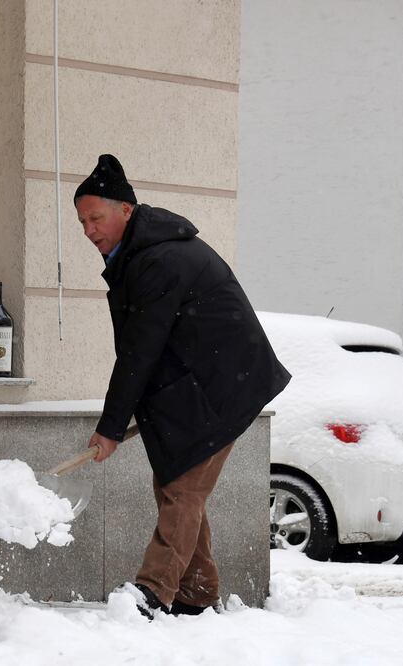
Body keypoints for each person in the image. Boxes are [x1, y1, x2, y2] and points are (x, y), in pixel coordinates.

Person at [75, 154, 291, 619]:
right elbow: (147, 349)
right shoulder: (141, 254)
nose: (89, 229)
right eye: (82, 221)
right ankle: (196, 591)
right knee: (175, 483)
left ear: (126, 211)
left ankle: (152, 592)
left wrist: (111, 427)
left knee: (182, 490)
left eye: (96, 217)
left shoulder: (160, 260)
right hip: (200, 383)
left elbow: (140, 349)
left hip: (225, 385)